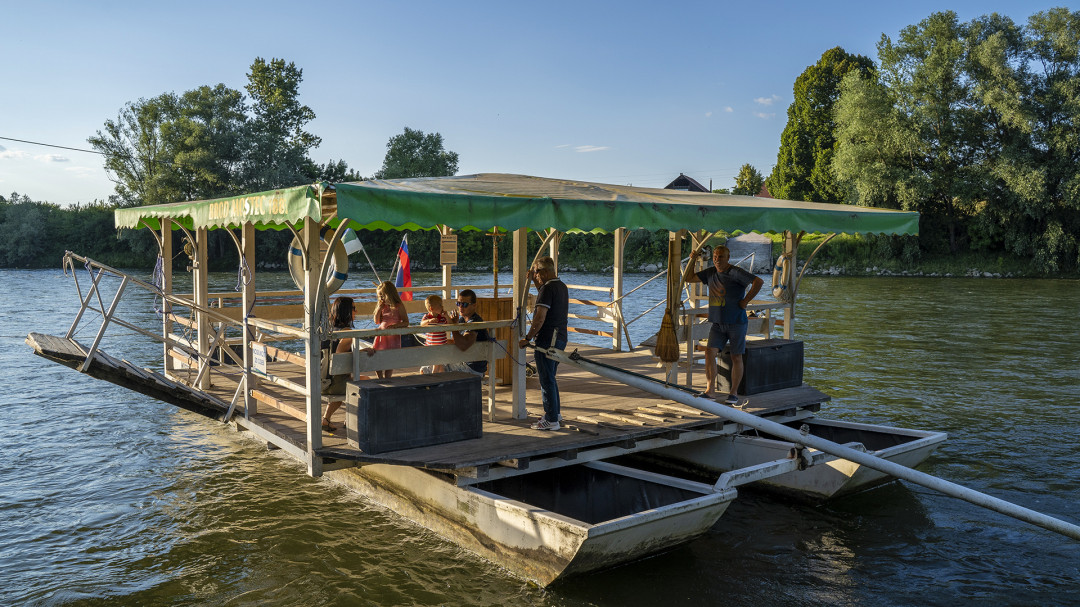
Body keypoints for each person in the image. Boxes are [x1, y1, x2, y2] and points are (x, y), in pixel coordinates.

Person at [683, 244, 764, 405]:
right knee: (709, 353)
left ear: (728, 257)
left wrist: (745, 302)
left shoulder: (735, 272)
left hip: (736, 322)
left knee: (736, 356)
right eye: (715, 257)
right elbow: (689, 278)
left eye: (720, 257)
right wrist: (692, 260)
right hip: (717, 323)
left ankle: (733, 393)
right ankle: (710, 390)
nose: (717, 260)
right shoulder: (710, 272)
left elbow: (758, 282)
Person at [519, 256, 569, 431]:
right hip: (560, 337)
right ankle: (555, 413)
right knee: (550, 377)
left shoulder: (547, 289)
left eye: (537, 271)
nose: (536, 275)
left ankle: (551, 420)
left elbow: (540, 317)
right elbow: (544, 292)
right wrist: (534, 281)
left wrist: (528, 337)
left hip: (548, 340)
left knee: (546, 380)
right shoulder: (561, 286)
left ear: (546, 272)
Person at [322, 296, 354, 433]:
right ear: (346, 311)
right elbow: (340, 355)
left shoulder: (327, 330)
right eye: (353, 308)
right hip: (334, 384)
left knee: (348, 383)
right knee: (365, 383)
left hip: (322, 382)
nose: (356, 311)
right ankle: (351, 420)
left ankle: (326, 419)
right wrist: (362, 353)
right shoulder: (346, 332)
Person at [445, 289, 489, 377]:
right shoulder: (462, 319)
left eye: (464, 304)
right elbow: (456, 342)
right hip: (463, 362)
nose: (460, 307)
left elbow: (463, 345)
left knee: (432, 370)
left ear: (474, 305)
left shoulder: (475, 322)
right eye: (458, 303)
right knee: (428, 368)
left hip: (473, 369)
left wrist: (454, 326)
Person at [372, 281, 409, 379]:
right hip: (381, 335)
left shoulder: (398, 306)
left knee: (390, 358)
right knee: (377, 356)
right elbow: (376, 321)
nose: (381, 298)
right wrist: (379, 309)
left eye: (382, 296)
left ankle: (388, 377)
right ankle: (380, 377)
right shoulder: (382, 306)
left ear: (389, 294)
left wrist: (396, 326)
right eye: (379, 296)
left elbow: (406, 322)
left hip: (392, 336)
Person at [419, 294, 449, 374]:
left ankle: (437, 375)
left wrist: (447, 316)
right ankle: (437, 375)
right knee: (438, 362)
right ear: (431, 308)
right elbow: (421, 324)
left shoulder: (442, 317)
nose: (442, 307)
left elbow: (450, 324)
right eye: (440, 305)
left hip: (441, 345)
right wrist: (429, 321)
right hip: (431, 345)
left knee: (439, 362)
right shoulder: (427, 317)